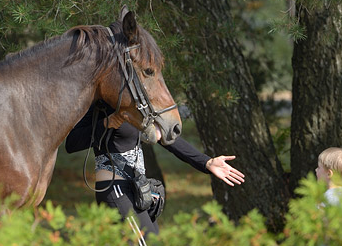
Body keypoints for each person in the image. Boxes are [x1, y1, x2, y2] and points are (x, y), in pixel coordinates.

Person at [65, 101, 245, 236]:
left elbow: (164, 137)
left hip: (137, 190)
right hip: (115, 190)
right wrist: (106, 123)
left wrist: (206, 162)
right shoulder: (100, 103)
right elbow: (71, 143)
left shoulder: (137, 103)